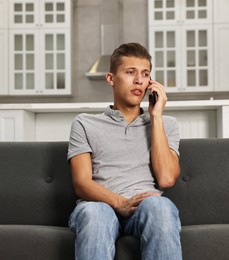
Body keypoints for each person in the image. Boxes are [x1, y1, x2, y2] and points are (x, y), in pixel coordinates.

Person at [67, 42, 182, 260]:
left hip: (144, 209)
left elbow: (166, 179)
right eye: (130, 72)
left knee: (160, 207)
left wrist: (155, 116)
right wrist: (120, 203)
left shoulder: (167, 124)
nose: (139, 80)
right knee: (95, 213)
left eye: (145, 74)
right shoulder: (84, 123)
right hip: (99, 207)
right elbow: (81, 183)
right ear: (111, 78)